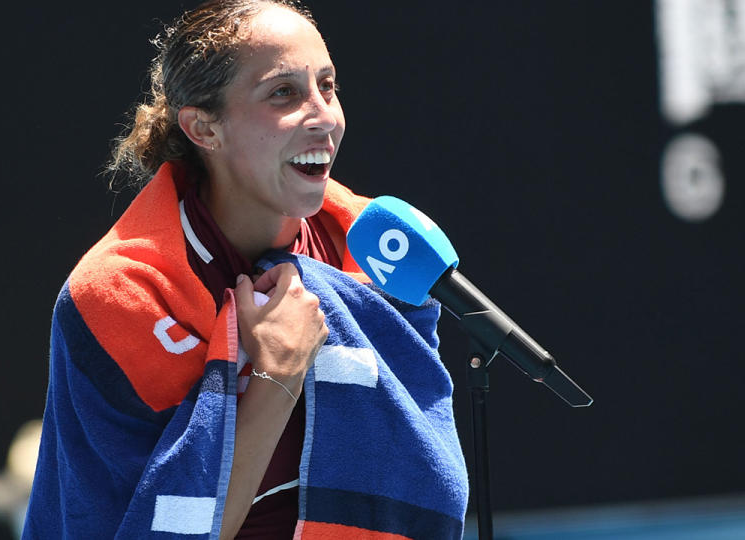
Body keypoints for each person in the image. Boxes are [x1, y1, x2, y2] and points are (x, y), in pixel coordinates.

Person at [23, 1, 468, 538]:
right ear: (203, 129)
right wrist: (276, 375)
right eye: (284, 92)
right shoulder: (118, 296)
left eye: (327, 86)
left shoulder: (372, 252)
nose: (324, 115)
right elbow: (153, 528)